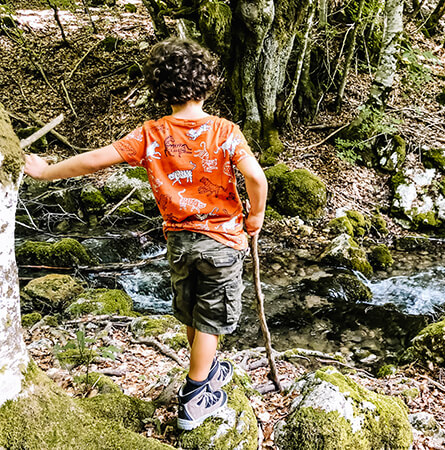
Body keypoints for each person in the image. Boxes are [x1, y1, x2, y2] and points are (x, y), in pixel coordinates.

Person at [24, 37, 268, 431]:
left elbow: (91, 161)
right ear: (208, 83)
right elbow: (256, 179)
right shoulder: (225, 131)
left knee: (191, 309)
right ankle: (194, 398)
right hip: (222, 241)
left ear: (159, 87)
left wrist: (44, 171)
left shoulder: (151, 134)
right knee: (211, 319)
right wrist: (254, 217)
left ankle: (205, 369)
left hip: (178, 242)